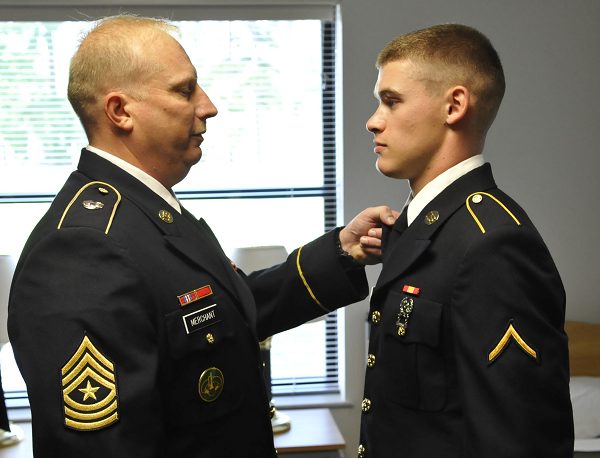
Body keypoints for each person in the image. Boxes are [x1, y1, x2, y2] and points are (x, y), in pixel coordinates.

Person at [7, 15, 396, 458]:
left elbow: (222, 317)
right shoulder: (84, 249)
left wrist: (341, 252)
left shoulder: (146, 213)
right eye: (184, 90)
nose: (208, 106)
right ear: (120, 111)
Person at [359, 24, 573, 457]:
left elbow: (518, 439)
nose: (373, 121)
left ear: (454, 105)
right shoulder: (421, 228)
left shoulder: (492, 243)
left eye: (391, 101)